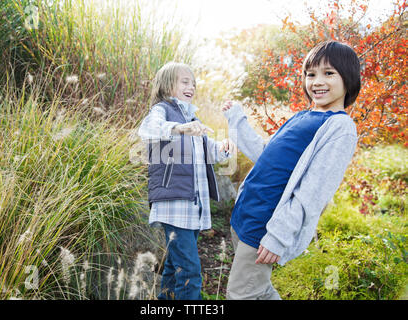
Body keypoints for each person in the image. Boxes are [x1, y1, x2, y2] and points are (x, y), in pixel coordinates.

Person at [223, 41, 361, 300]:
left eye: (328, 73)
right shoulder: (301, 116)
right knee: (259, 291)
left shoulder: (340, 127)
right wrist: (237, 120)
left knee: (241, 294)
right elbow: (264, 154)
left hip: (265, 225)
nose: (317, 81)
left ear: (349, 78)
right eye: (311, 74)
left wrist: (278, 236)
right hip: (246, 213)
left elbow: (314, 190)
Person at [138, 61, 235, 300]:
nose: (191, 86)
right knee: (190, 270)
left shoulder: (192, 116)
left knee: (175, 265)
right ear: (167, 84)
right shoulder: (161, 110)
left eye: (193, 82)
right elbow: (148, 130)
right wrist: (180, 129)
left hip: (193, 206)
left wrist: (223, 148)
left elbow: (207, 150)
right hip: (174, 203)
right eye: (185, 81)